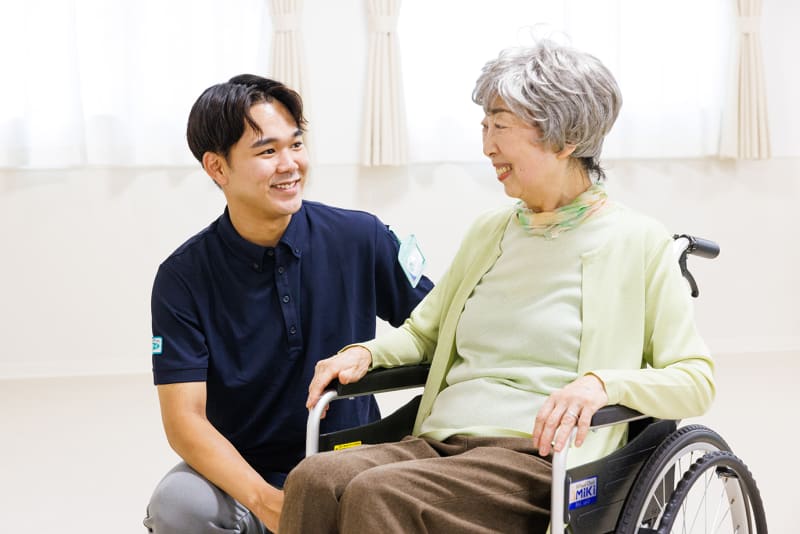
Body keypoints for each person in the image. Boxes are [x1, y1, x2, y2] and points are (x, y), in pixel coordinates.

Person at [278, 40, 716, 533]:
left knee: (378, 493)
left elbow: (695, 379)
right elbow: (424, 333)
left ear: (565, 137)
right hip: (439, 444)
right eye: (485, 126)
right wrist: (366, 353)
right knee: (316, 476)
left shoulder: (639, 243)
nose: (487, 145)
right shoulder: (490, 232)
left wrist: (602, 384)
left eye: (501, 126)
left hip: (534, 462)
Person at [143, 74, 433, 534]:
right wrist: (270, 505)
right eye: (266, 152)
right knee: (178, 504)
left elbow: (438, 328)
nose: (290, 164)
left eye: (295, 145)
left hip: (352, 463)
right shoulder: (182, 277)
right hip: (249, 477)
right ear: (217, 168)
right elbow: (185, 420)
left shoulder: (362, 237)